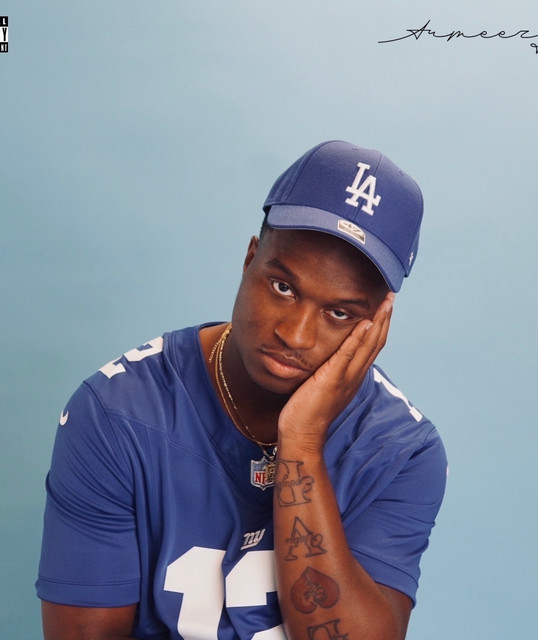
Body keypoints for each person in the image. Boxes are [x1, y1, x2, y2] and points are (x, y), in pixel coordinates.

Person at [36, 140, 447, 640]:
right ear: (251, 259)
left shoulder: (402, 449)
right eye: (283, 287)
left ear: (377, 323)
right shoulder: (116, 413)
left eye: (340, 313)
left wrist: (302, 442)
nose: (295, 335)